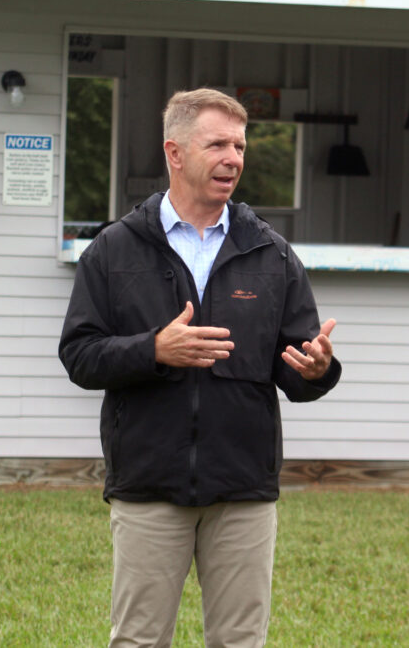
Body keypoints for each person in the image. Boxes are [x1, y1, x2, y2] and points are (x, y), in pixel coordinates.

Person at [59, 88, 341, 647]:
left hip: (242, 489)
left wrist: (315, 370)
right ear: (175, 152)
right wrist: (153, 350)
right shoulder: (114, 251)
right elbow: (80, 355)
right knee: (138, 640)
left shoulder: (272, 254)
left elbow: (293, 365)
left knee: (240, 642)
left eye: (239, 145)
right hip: (149, 485)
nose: (233, 158)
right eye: (217, 144)